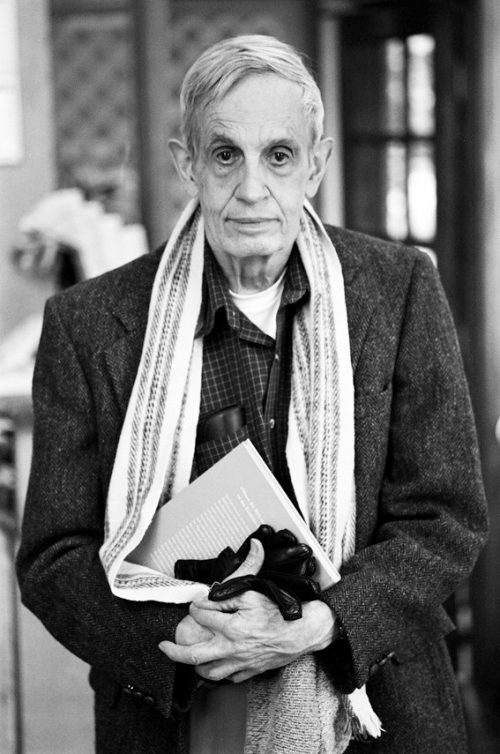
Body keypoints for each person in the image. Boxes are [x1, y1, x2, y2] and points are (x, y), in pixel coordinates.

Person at [16, 34, 488, 754]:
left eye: (280, 155)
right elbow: (54, 557)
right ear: (188, 164)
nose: (252, 190)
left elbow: (446, 516)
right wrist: (191, 638)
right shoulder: (89, 323)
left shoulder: (398, 292)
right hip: (175, 712)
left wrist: (320, 625)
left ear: (316, 165)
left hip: (376, 707)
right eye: (225, 155)